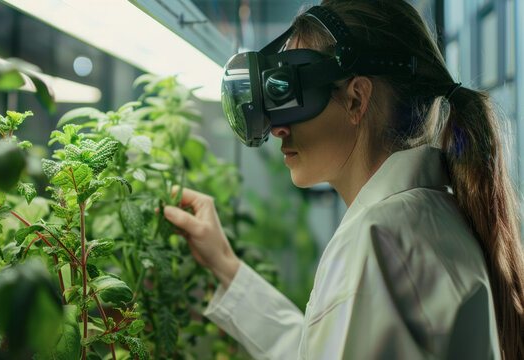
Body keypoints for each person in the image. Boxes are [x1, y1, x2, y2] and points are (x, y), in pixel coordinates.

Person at [162, 0, 524, 359]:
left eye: (290, 93)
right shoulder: (423, 218)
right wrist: (225, 263)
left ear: (356, 99)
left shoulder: (379, 239)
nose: (278, 128)